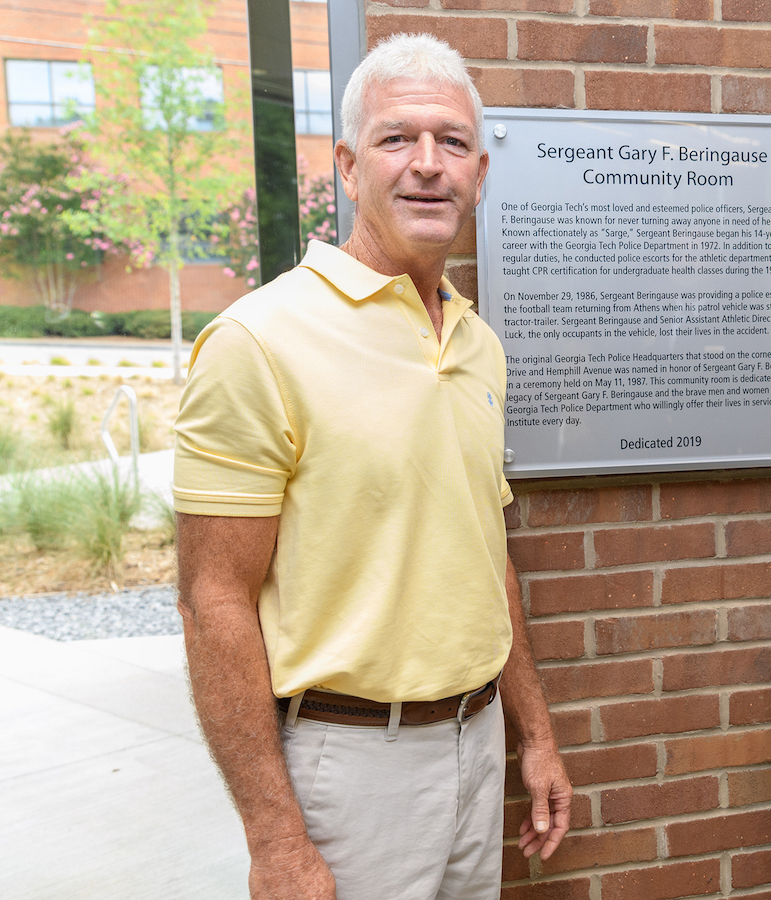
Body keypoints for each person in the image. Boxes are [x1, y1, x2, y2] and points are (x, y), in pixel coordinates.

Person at [173, 34, 569, 900]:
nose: (428, 164)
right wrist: (277, 841)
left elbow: (485, 554)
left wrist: (534, 733)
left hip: (477, 742)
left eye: (452, 142)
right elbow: (213, 602)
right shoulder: (259, 340)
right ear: (349, 168)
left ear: (479, 174)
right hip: (350, 767)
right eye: (397, 139)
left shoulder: (477, 343)